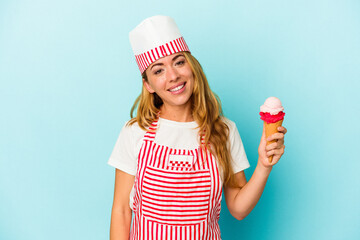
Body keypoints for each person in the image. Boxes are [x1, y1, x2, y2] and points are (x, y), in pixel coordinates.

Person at [108, 15, 287, 240]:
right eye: (158, 70)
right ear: (148, 85)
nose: (173, 76)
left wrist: (264, 165)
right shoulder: (135, 132)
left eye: (179, 62)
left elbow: (238, 209)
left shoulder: (224, 131)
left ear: (192, 67)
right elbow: (122, 212)